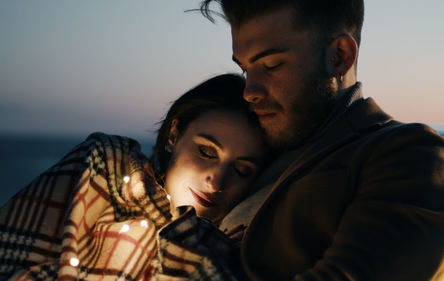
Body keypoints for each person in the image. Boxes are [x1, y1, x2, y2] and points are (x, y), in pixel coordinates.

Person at [198, 1, 444, 281]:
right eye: (245, 69)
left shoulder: (412, 155)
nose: (249, 92)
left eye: (271, 65)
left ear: (340, 56)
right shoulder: (258, 147)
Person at [0, 74, 268, 280]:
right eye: (207, 152)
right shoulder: (106, 167)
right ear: (174, 135)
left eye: (242, 170)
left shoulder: (232, 252)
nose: (218, 181)